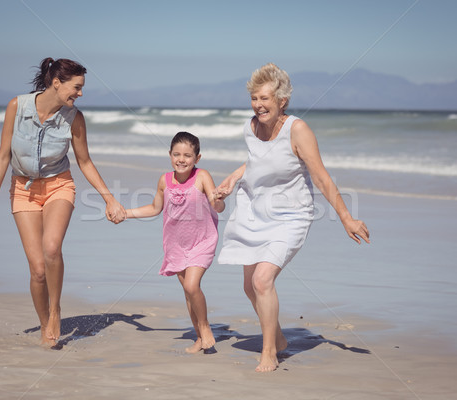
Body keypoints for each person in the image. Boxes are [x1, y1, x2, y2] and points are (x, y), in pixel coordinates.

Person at [214, 63, 370, 372]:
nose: (259, 105)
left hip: (291, 216)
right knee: (249, 286)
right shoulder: (251, 126)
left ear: (282, 100)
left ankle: (269, 352)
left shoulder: (297, 130)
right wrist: (233, 178)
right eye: (254, 98)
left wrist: (346, 218)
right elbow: (256, 162)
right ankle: (280, 339)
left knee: (262, 280)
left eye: (265, 99)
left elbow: (322, 178)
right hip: (255, 210)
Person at [0, 57, 126, 347]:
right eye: (77, 87)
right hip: (22, 190)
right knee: (37, 269)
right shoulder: (17, 107)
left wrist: (109, 199)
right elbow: (3, 156)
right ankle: (44, 317)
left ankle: (56, 309)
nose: (80, 93)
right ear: (56, 83)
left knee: (51, 248)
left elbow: (84, 162)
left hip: (59, 185)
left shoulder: (75, 118)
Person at [125, 132, 225, 353]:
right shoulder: (164, 180)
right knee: (189, 292)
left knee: (192, 285)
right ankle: (199, 338)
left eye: (188, 155)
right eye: (177, 154)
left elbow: (216, 204)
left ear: (197, 158)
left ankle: (205, 326)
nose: (182, 159)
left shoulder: (202, 176)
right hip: (176, 244)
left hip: (202, 241)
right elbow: (154, 208)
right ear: (170, 155)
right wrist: (125, 213)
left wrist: (218, 201)